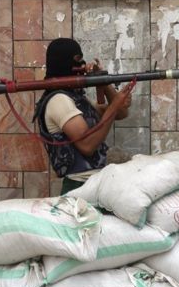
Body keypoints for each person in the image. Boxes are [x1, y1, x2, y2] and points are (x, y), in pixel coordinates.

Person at [33, 38, 133, 194]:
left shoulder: (75, 98)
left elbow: (120, 113)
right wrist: (115, 105)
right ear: (63, 63)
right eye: (77, 61)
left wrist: (102, 80)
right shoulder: (59, 101)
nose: (82, 65)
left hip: (94, 183)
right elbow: (87, 146)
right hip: (79, 187)